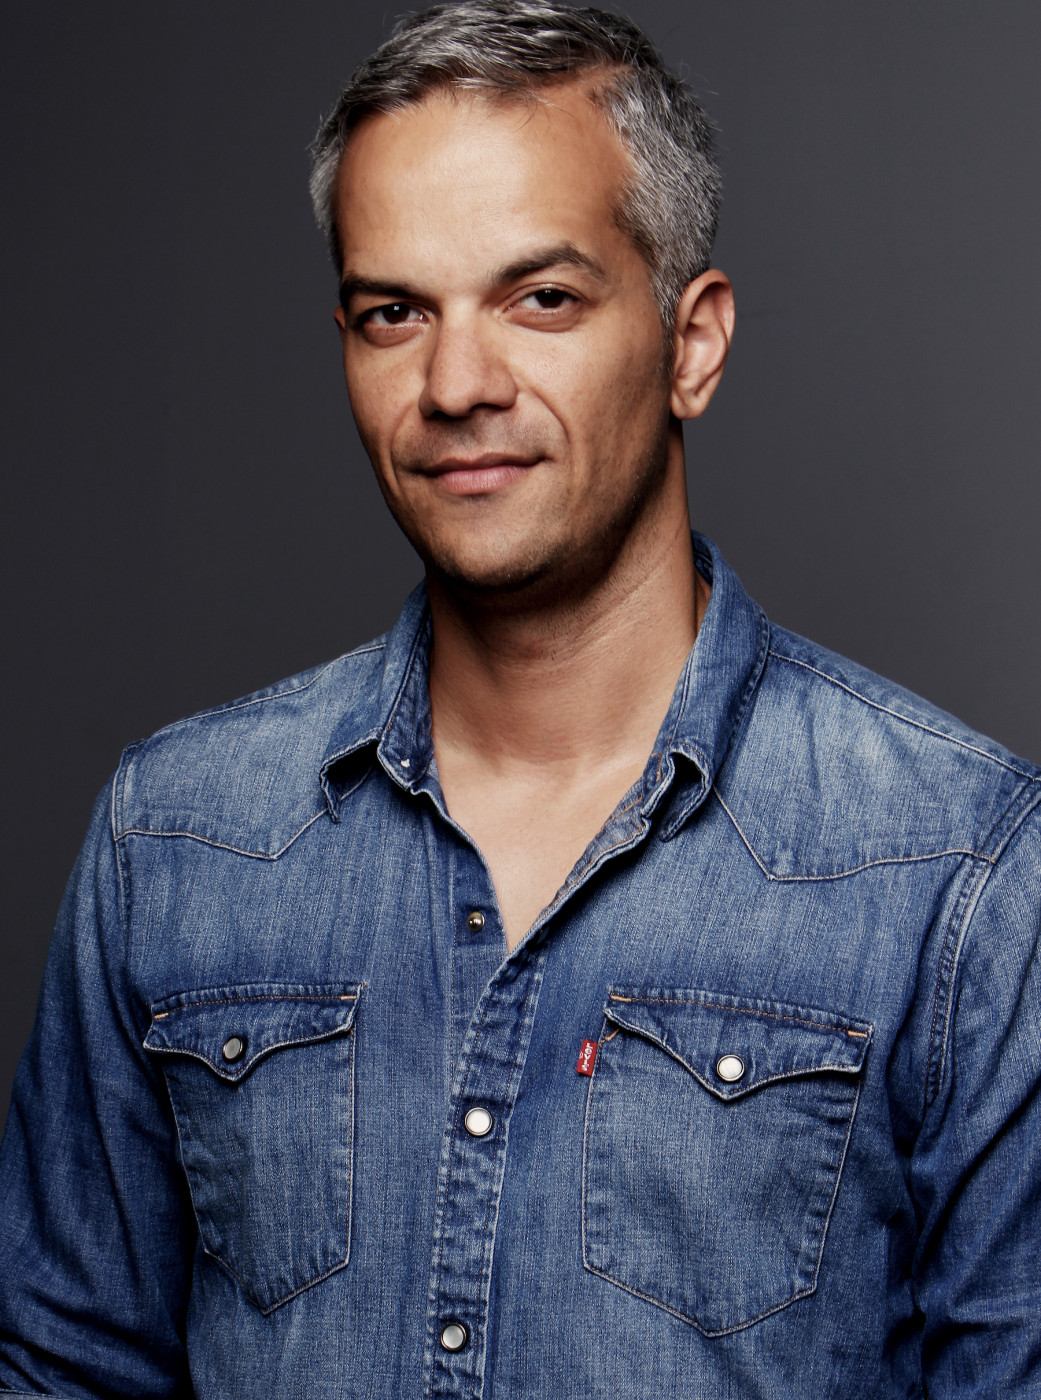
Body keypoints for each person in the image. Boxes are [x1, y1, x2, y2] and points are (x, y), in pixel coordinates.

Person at [1, 0, 1038, 1394]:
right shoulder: (175, 837)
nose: (454, 385)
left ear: (690, 344)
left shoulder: (960, 865)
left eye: (540, 299)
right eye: (394, 314)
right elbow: (64, 1364)